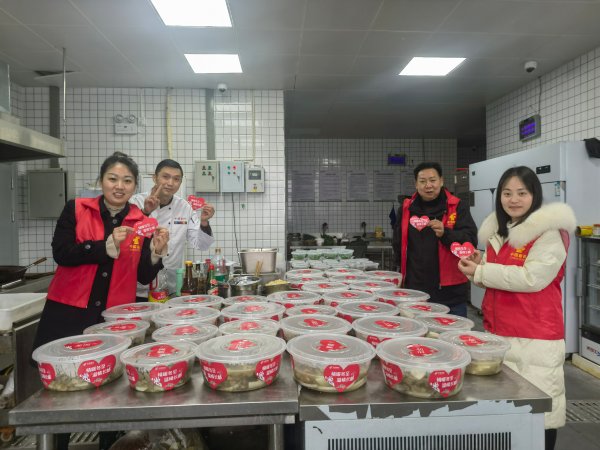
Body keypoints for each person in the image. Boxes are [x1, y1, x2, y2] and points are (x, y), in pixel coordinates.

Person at [31, 151, 169, 450]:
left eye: (127, 181)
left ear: (135, 186)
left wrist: (156, 253)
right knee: (63, 390)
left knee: (112, 391)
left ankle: (109, 444)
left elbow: (143, 275)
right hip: (69, 315)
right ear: (102, 180)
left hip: (113, 319)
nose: (119, 186)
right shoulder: (76, 209)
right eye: (113, 178)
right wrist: (103, 247)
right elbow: (61, 253)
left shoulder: (141, 222)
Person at [457, 166, 575, 450]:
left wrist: (483, 271)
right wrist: (479, 264)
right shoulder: (501, 231)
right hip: (500, 332)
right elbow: (500, 273)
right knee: (509, 412)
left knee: (540, 414)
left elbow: (532, 278)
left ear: (535, 195)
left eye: (522, 193)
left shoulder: (549, 233)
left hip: (535, 335)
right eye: (507, 193)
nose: (513, 200)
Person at [392, 162, 477, 317]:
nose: (428, 185)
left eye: (432, 180)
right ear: (416, 184)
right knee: (415, 331)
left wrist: (446, 233)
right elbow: (398, 243)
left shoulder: (457, 206)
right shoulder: (406, 209)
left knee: (452, 332)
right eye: (422, 181)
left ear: (441, 181)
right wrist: (399, 276)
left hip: (450, 293)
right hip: (415, 291)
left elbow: (470, 241)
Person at [130, 159, 215, 299]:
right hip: (139, 288)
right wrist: (145, 212)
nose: (170, 183)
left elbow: (201, 244)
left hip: (172, 287)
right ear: (154, 178)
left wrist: (204, 222)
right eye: (165, 177)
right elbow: (128, 241)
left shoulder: (185, 207)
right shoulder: (135, 202)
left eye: (176, 179)